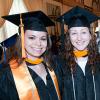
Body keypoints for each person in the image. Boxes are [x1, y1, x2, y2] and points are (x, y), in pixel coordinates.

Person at [0, 11, 62, 100]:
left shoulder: (54, 65)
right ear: (21, 39)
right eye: (32, 38)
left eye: (43, 38)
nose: (38, 43)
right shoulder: (7, 75)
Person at [57, 6, 100, 100]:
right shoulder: (60, 64)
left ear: (90, 35)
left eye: (83, 32)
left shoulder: (98, 61)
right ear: (68, 37)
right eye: (74, 33)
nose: (79, 38)